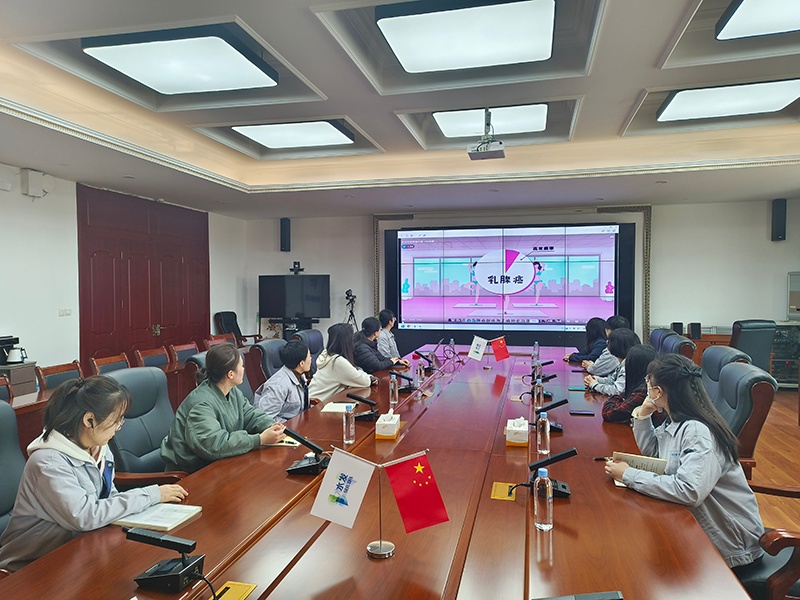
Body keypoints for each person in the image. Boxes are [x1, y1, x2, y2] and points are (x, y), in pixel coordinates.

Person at [0, 376, 188, 572]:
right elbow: (84, 516)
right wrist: (150, 495)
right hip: (31, 566)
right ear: (89, 420)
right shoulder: (49, 463)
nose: (119, 427)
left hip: (78, 550)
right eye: (116, 420)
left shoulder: (98, 448)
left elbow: (109, 496)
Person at [604, 354, 765, 572]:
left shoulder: (697, 431)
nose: (646, 388)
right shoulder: (677, 421)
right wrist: (643, 415)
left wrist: (628, 475)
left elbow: (689, 490)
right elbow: (656, 455)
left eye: (648, 383)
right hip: (700, 529)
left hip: (732, 547)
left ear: (658, 392)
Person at [160, 343, 286, 473]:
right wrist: (259, 439)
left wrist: (271, 426)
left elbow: (250, 414)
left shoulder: (232, 391)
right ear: (230, 374)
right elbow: (214, 445)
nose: (244, 369)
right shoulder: (201, 404)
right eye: (242, 366)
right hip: (194, 473)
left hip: (221, 463)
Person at [309, 323, 378, 402]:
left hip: (314, 399)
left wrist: (367, 376)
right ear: (346, 341)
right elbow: (363, 381)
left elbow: (354, 372)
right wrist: (370, 378)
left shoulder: (327, 353)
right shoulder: (337, 362)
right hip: (317, 404)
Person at [253, 340, 318, 422]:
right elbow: (265, 418)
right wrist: (291, 426)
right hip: (287, 426)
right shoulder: (278, 386)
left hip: (300, 421)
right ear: (301, 363)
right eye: (309, 357)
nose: (311, 359)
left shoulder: (299, 374)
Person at [601, 343, 660, 423]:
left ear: (632, 367)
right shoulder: (644, 384)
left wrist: (616, 398)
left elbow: (608, 413)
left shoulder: (644, 390)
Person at [584, 328, 640, 395]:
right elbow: (612, 380)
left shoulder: (628, 366)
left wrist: (594, 385)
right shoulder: (623, 362)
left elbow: (617, 391)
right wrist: (597, 379)